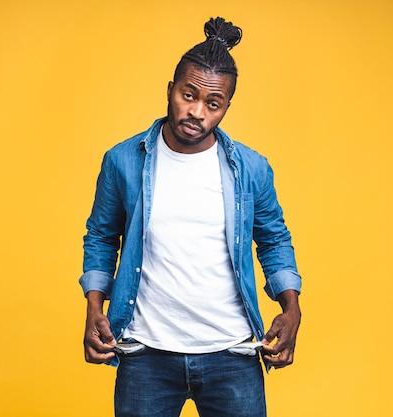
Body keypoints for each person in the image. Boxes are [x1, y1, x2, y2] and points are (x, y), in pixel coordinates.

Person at [79, 17, 302, 417]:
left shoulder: (251, 168)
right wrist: (95, 307)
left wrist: (291, 306)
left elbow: (274, 239)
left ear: (226, 107)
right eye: (188, 95)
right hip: (145, 356)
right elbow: (100, 236)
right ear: (171, 90)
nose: (197, 111)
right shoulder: (123, 162)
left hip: (232, 355)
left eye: (212, 104)